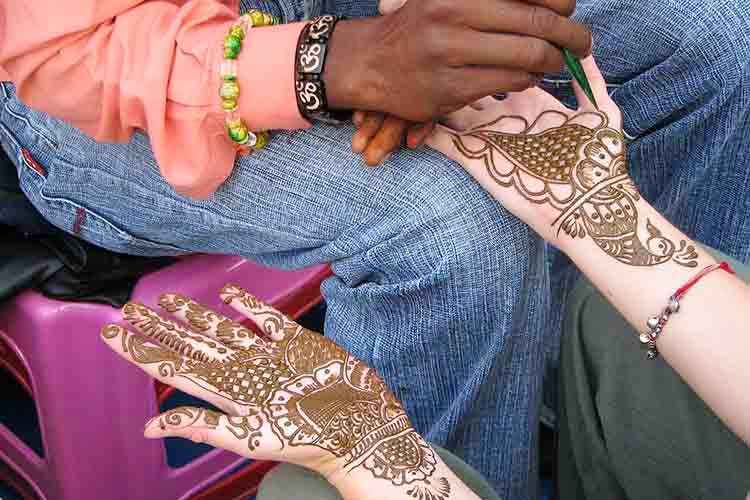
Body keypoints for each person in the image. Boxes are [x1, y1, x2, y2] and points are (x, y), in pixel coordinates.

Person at [1, 0, 749, 498]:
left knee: (715, 42)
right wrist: (331, 64)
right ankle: (484, 458)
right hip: (104, 73)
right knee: (450, 225)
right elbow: (63, 44)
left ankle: (593, 424)